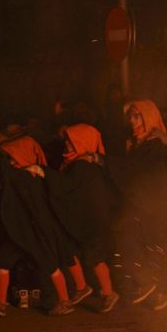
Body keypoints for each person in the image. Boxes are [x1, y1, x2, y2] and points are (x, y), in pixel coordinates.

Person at [0, 134, 86, 316]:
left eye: (13, 158)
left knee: (49, 263)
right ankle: (0, 303)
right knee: (3, 262)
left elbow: (38, 210)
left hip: (34, 231)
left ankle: (65, 301)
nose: (11, 163)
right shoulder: (25, 176)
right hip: (18, 230)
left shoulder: (29, 178)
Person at [47, 123, 118, 312]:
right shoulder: (74, 163)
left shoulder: (82, 165)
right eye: (67, 141)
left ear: (82, 142)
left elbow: (65, 186)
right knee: (69, 249)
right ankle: (81, 287)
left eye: (71, 141)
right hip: (82, 218)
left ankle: (109, 293)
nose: (67, 145)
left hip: (92, 220)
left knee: (94, 255)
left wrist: (43, 173)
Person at [116, 99, 167, 307]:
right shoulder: (137, 142)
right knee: (139, 240)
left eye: (136, 116)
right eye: (130, 116)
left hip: (156, 202)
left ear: (148, 116)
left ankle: (166, 286)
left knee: (156, 243)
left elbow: (143, 172)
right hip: (141, 202)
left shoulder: (155, 144)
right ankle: (149, 282)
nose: (131, 121)